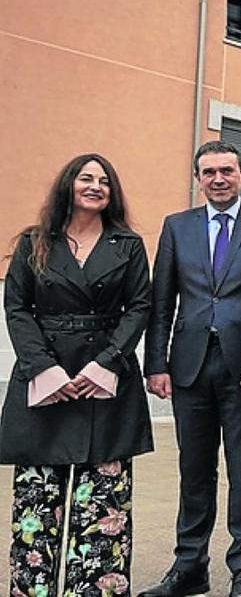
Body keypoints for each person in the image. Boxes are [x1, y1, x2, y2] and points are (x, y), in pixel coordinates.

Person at [138, 141, 241, 597]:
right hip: (188, 367)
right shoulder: (176, 227)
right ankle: (189, 567)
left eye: (227, 170)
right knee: (194, 469)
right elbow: (161, 301)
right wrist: (156, 364)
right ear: (197, 178)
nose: (218, 179)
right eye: (208, 172)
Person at [1, 153, 154, 596]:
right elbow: (17, 309)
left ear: (112, 193)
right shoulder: (34, 243)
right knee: (37, 504)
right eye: (86, 178)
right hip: (44, 381)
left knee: (103, 509)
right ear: (69, 185)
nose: (95, 186)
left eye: (104, 181)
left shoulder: (127, 245)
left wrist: (105, 362)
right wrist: (43, 368)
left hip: (106, 383)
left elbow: (139, 307)